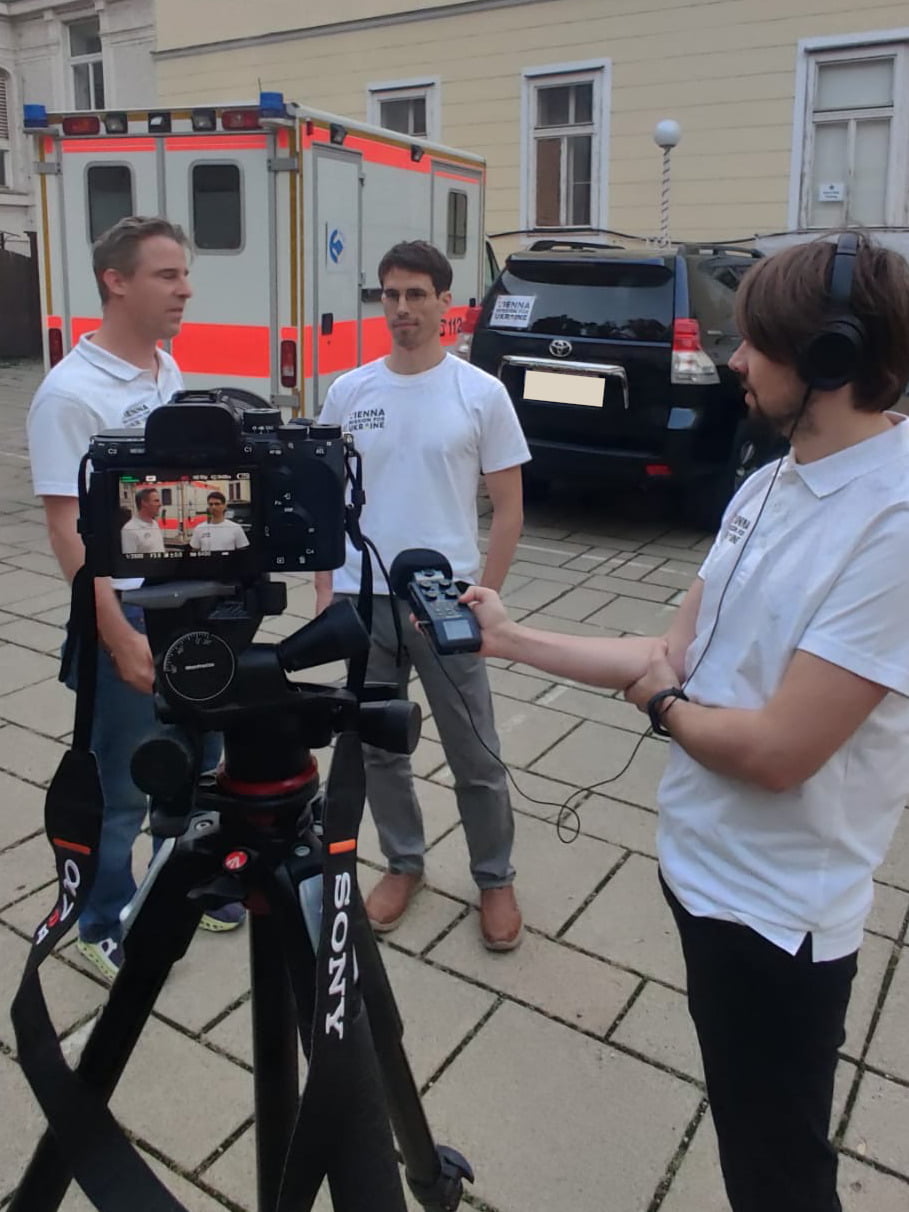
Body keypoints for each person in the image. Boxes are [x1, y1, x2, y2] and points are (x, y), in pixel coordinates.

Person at [459, 232, 909, 1210]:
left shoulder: (893, 524)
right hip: (700, 879)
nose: (734, 360)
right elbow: (671, 651)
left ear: (829, 358)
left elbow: (779, 752)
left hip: (775, 920)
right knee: (750, 1137)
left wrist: (662, 706)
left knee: (778, 1173)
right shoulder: (770, 482)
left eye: (755, 344)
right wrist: (510, 639)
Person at [27, 216, 245, 982]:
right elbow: (68, 530)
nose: (186, 290)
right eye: (168, 275)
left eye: (185, 274)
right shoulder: (70, 395)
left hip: (187, 600)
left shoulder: (165, 370)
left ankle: (179, 887)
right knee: (121, 783)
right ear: (115, 282)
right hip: (124, 612)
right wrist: (116, 633)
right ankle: (101, 919)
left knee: (195, 761)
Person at [315, 240, 530, 950]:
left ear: (445, 303)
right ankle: (404, 863)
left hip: (445, 604)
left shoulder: (480, 393)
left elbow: (509, 508)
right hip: (363, 599)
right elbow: (327, 502)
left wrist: (486, 595)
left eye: (416, 294)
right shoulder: (349, 392)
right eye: (390, 294)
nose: (401, 308)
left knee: (475, 752)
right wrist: (326, 590)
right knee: (380, 749)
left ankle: (494, 877)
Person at [121, 486, 166, 555]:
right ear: (144, 503)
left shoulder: (155, 524)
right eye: (156, 501)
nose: (160, 504)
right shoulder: (129, 530)